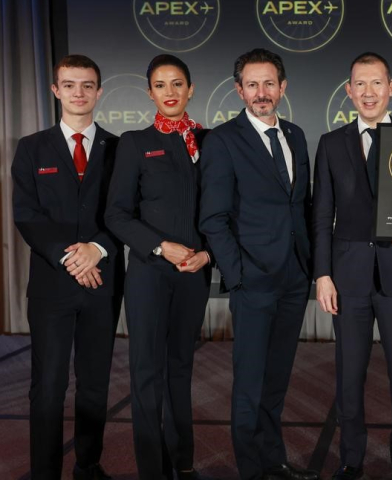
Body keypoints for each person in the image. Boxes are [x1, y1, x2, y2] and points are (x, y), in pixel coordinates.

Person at [199, 48, 318, 480]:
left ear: (282, 87)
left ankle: (274, 460)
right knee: (249, 384)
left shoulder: (297, 135)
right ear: (239, 90)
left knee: (276, 380)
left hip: (294, 278)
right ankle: (250, 470)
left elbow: (302, 206)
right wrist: (239, 276)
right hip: (253, 281)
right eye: (252, 84)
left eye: (269, 83)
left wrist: (309, 266)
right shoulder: (222, 140)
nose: (261, 92)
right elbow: (213, 219)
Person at [12, 54, 124, 480]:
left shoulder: (120, 148)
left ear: (99, 91)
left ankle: (88, 464)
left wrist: (98, 248)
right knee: (48, 385)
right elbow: (27, 215)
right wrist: (71, 256)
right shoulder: (31, 147)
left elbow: (127, 212)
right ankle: (45, 471)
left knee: (94, 382)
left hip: (102, 281)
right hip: (51, 284)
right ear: (56, 90)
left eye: (88, 85)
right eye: (70, 85)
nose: (79, 92)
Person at [313, 52, 392, 480]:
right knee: (349, 374)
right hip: (348, 276)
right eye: (360, 84)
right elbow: (322, 214)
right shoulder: (330, 143)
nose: (369, 92)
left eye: (377, 83)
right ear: (348, 91)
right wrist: (323, 274)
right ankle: (351, 458)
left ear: (391, 88)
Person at [104, 54, 212, 480]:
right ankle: (152, 469)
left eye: (177, 83)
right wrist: (160, 247)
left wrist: (207, 254)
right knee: (147, 370)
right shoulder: (134, 142)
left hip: (194, 273)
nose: (170, 92)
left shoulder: (210, 141)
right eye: (161, 85)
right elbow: (116, 214)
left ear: (191, 89)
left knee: (181, 367)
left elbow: (221, 210)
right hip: (149, 274)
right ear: (150, 93)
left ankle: (183, 462)